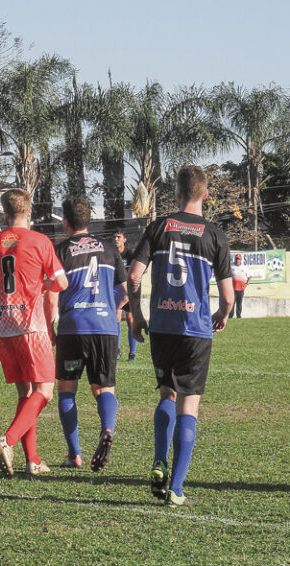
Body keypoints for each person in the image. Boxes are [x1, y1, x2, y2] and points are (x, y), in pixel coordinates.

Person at [128, 165, 233, 507]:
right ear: (205, 194)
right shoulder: (215, 234)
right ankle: (176, 488)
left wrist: (137, 316)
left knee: (166, 394)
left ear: (176, 194)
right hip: (196, 329)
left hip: (162, 327)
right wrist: (224, 312)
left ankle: (159, 458)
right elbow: (229, 296)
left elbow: (133, 277)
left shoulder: (158, 227)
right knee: (190, 402)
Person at [0, 188, 68, 477]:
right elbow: (61, 283)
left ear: (4, 213)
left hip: (5, 328)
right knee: (45, 391)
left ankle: (33, 460)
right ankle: (8, 439)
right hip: (32, 326)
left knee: (26, 392)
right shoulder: (40, 241)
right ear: (29, 212)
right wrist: (44, 286)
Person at [50, 196, 127, 472]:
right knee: (103, 388)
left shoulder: (60, 251)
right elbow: (125, 291)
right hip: (105, 329)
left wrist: (50, 327)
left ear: (65, 223)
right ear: (89, 220)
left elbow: (51, 292)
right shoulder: (109, 248)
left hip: (73, 329)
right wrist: (113, 309)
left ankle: (75, 455)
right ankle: (107, 429)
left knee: (67, 389)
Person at [114, 228, 139, 361]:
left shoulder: (130, 254)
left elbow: (141, 270)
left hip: (129, 291)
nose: (116, 239)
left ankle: (132, 353)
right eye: (115, 237)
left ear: (124, 239)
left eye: (119, 237)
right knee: (116, 317)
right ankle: (116, 350)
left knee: (130, 318)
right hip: (116, 290)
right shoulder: (112, 254)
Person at [229, 253, 250, 318]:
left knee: (239, 303)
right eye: (236, 259)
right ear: (234, 259)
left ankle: (238, 316)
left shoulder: (244, 267)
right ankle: (231, 316)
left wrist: (246, 284)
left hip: (241, 289)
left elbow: (249, 276)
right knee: (232, 303)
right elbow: (227, 276)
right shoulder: (231, 266)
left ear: (241, 260)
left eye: (238, 259)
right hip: (232, 289)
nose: (237, 260)